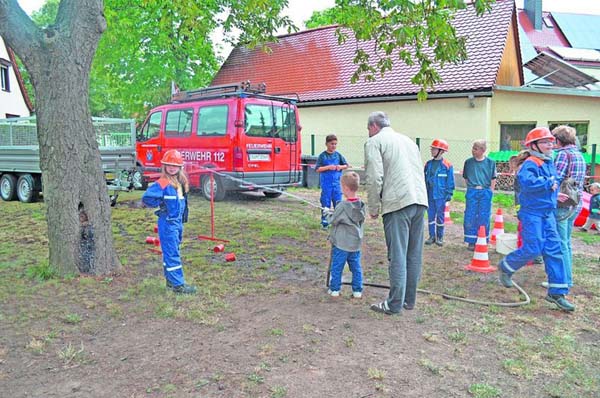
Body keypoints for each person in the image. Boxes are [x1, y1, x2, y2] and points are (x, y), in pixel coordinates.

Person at [498, 127, 575, 312]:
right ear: (534, 146)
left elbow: (551, 185)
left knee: (554, 249)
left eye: (551, 141)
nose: (550, 144)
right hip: (532, 213)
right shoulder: (531, 163)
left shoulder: (548, 162)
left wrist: (555, 196)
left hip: (547, 212)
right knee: (534, 247)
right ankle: (506, 266)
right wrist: (549, 184)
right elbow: (527, 183)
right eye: (545, 142)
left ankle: (557, 293)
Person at [364, 111, 428, 315]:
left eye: (368, 129)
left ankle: (393, 304)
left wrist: (373, 207)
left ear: (374, 126)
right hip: (419, 200)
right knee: (414, 253)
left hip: (398, 202)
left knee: (398, 254)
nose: (368, 133)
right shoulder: (408, 141)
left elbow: (374, 177)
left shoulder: (375, 142)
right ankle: (409, 300)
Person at [142, 149, 197, 295]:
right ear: (164, 166)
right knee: (172, 253)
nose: (171, 168)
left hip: (177, 223)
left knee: (173, 251)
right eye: (168, 165)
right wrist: (161, 204)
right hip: (167, 224)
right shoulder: (163, 182)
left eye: (175, 165)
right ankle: (178, 285)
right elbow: (147, 197)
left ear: (180, 167)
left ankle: (170, 281)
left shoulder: (180, 182)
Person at [552, 125, 586, 288]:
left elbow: (556, 179)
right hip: (575, 203)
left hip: (562, 204)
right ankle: (567, 279)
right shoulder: (579, 155)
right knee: (567, 242)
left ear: (559, 140)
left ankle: (563, 281)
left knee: (560, 243)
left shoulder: (562, 155)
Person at [325, 171, 366, 298]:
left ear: (346, 188)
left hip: (342, 244)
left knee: (337, 267)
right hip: (355, 244)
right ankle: (357, 290)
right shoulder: (361, 205)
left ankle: (335, 289)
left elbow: (332, 220)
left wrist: (327, 212)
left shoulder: (342, 205)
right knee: (356, 268)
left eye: (342, 187)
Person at [462, 140, 497, 250]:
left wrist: (490, 190)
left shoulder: (491, 163)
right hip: (472, 190)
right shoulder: (468, 162)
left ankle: (482, 239)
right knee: (470, 215)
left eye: (476, 148)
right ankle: (471, 240)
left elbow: (493, 178)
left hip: (485, 191)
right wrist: (471, 187)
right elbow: (466, 177)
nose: (473, 150)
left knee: (484, 215)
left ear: (483, 150)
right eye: (473, 148)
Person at [424, 139, 455, 247]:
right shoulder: (428, 164)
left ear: (441, 151)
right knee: (431, 216)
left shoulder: (447, 165)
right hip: (429, 194)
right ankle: (432, 236)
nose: (432, 150)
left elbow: (450, 181)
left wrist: (449, 194)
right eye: (432, 148)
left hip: (440, 195)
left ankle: (440, 236)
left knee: (440, 217)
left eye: (434, 149)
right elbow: (424, 179)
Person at [315, 134, 349, 228]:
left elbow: (346, 165)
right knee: (325, 202)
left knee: (338, 203)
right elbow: (317, 169)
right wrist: (328, 167)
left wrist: (340, 167)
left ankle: (338, 221)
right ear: (326, 144)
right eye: (331, 144)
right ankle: (325, 221)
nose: (333, 146)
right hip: (326, 184)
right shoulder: (322, 156)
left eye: (335, 144)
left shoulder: (338, 156)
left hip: (337, 184)